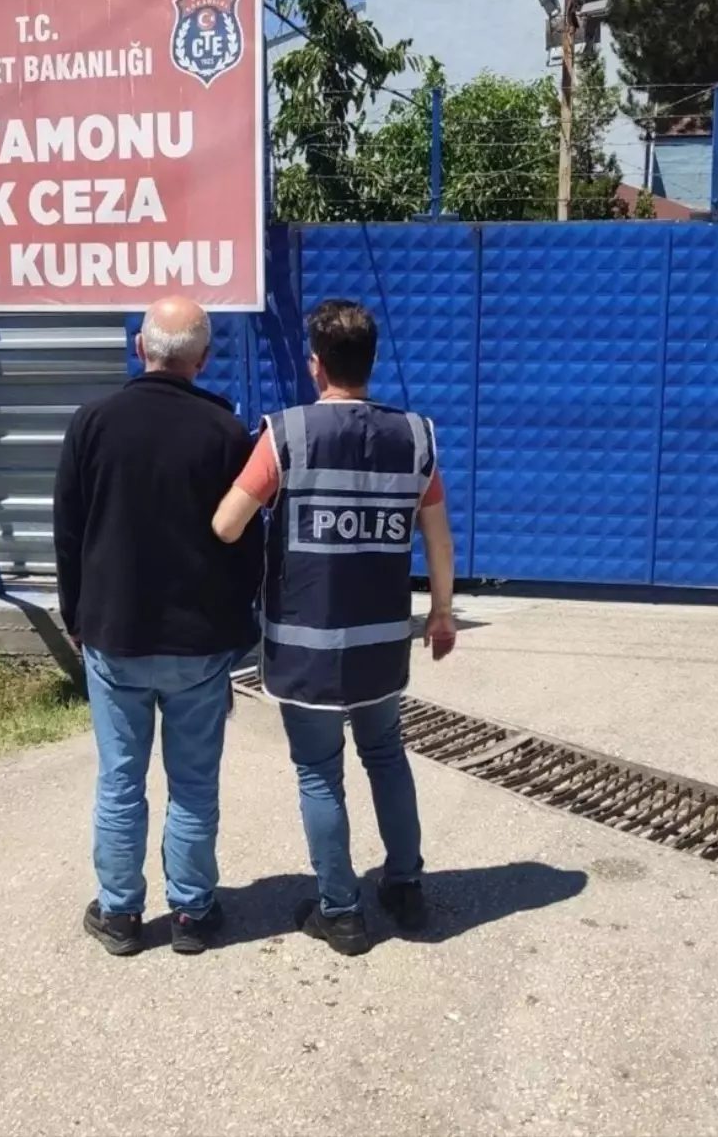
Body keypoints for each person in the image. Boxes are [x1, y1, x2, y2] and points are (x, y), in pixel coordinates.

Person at [213, 298, 456, 956]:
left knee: (320, 773)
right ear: (369, 362)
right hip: (381, 642)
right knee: (386, 756)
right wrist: (441, 611)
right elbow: (437, 536)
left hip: (306, 649)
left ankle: (341, 912)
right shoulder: (414, 437)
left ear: (316, 364)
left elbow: (227, 524)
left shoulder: (287, 435)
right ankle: (405, 887)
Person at [54, 296, 262, 957]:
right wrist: (239, 626)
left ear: (140, 348)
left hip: (114, 633)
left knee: (120, 779)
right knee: (193, 783)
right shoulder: (225, 432)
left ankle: (119, 913)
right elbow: (248, 545)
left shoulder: (92, 423)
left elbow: (67, 530)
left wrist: (75, 615)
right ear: (203, 358)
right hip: (198, 642)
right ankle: (192, 913)